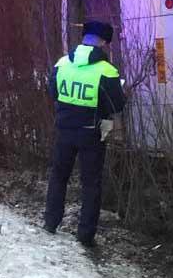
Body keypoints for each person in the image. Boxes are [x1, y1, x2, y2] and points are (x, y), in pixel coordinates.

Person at [44, 20, 126, 247]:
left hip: (64, 131)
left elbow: (53, 92)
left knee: (59, 176)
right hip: (91, 134)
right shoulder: (106, 71)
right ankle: (85, 235)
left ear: (83, 39)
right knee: (91, 184)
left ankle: (50, 222)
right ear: (102, 42)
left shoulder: (62, 63)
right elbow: (117, 105)